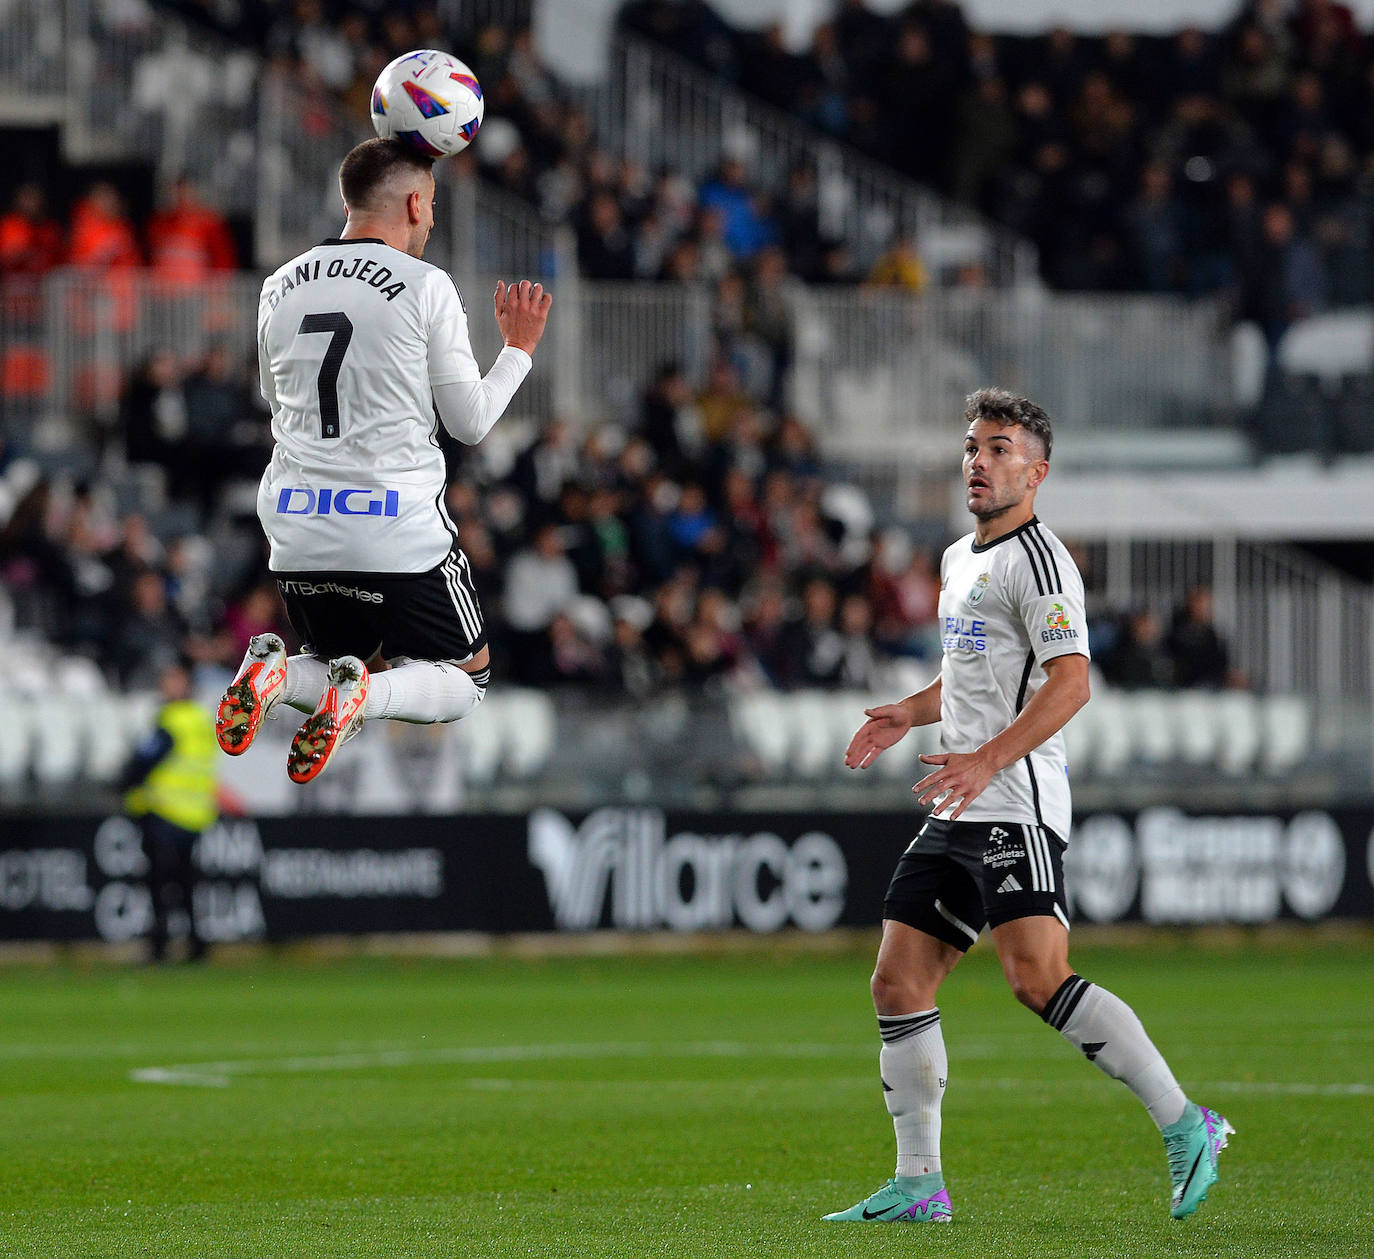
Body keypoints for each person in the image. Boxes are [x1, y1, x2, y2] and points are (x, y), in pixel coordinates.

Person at [824, 388, 1232, 1226]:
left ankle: (1188, 1122)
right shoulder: (955, 559)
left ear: (1036, 472)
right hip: (959, 802)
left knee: (1035, 978)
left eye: (999, 448)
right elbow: (973, 676)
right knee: (898, 981)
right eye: (972, 446)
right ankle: (918, 1183)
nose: (978, 460)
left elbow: (1070, 682)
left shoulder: (1042, 563)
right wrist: (910, 709)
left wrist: (983, 759)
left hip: (1014, 801)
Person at [216, 138, 552, 783]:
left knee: (333, 658)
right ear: (415, 200)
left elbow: (273, 394)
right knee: (467, 679)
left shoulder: (279, 283)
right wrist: (518, 349)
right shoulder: (426, 285)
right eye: (431, 207)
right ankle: (360, 699)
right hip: (392, 522)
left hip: (294, 523)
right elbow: (470, 422)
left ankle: (275, 673)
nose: (431, 220)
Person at [121, 659, 219, 962]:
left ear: (186, 683)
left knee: (160, 883)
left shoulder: (173, 719)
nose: (167, 685)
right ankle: (197, 943)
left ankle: (160, 944)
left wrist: (124, 783)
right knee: (187, 883)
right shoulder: (202, 718)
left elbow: (144, 760)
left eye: (173, 679)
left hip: (165, 811)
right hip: (194, 814)